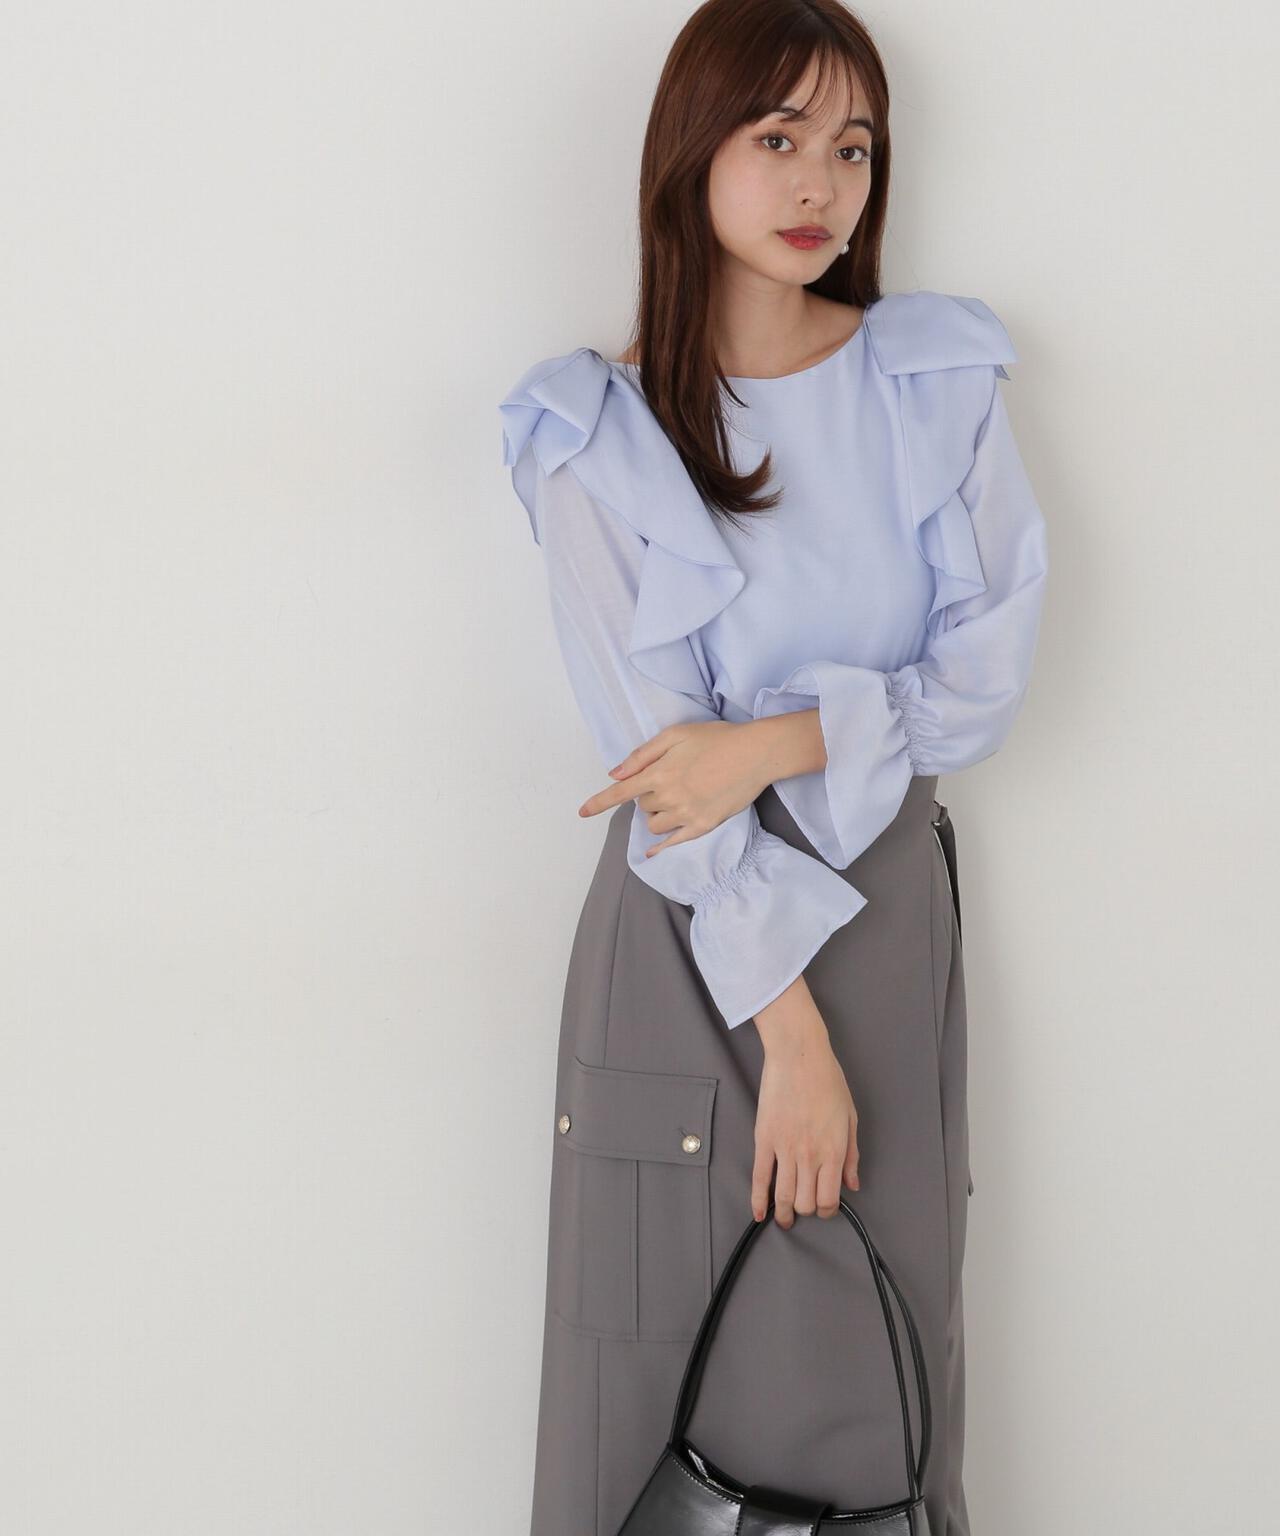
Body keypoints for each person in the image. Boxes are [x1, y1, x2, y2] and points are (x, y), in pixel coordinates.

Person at [497, 2, 1048, 1531]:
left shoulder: (931, 382)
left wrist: (778, 740)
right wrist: (790, 1040)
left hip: (884, 909)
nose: (821, 182)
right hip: (693, 932)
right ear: (694, 152)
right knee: (647, 1357)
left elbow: (984, 679)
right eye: (779, 136)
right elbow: (663, 779)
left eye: (853, 147)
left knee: (880, 1349)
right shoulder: (593, 434)